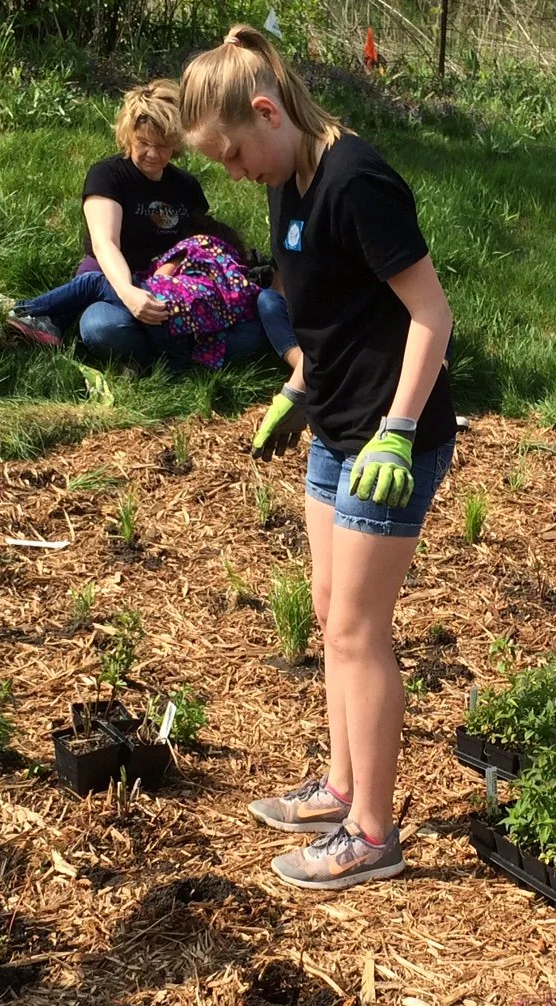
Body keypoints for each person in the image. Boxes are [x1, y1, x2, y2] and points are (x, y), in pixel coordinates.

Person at [181, 25, 455, 889]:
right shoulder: (286, 181)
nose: (232, 173)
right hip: (337, 424)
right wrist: (297, 391)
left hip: (390, 436)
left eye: (231, 154)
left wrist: (399, 429)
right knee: (333, 611)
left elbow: (432, 316)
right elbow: (333, 315)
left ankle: (372, 834)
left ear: (268, 112)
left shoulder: (355, 180)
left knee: (356, 631)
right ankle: (340, 789)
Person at [3, 80, 266, 369]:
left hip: (168, 288)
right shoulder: (108, 175)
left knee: (252, 330)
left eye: (162, 146)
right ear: (129, 137)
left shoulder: (186, 186)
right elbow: (105, 244)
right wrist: (128, 293)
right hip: (113, 278)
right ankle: (176, 356)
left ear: (177, 143)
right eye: (143, 143)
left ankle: (156, 358)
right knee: (102, 326)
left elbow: (198, 247)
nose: (152, 153)